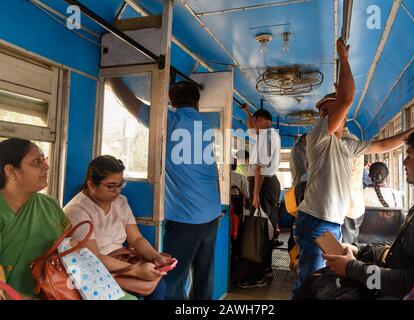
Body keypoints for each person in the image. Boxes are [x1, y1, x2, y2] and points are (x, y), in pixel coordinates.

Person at [292, 37, 414, 297]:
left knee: (320, 281)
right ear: (324, 117)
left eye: (335, 110)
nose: (333, 113)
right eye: (327, 110)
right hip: (316, 220)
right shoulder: (319, 138)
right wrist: (343, 59)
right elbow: (346, 99)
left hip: (331, 221)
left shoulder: (347, 145)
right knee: (310, 280)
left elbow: (382, 146)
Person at [108, 79, 222, 300]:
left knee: (171, 277)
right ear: (197, 103)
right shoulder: (205, 125)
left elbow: (129, 102)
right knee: (203, 275)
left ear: (171, 101)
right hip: (212, 211)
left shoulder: (168, 120)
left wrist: (114, 78)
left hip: (187, 217)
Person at [323, 125, 414, 299]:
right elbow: (398, 246)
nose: (404, 162)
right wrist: (359, 250)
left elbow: (410, 284)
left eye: (409, 156)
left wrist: (352, 269)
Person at [64, 155, 169, 300]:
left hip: (123, 258)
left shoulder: (121, 202)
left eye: (121, 184)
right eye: (111, 186)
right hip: (97, 268)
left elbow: (136, 238)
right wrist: (136, 271)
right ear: (91, 185)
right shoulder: (78, 211)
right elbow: (94, 257)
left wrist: (155, 256)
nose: (118, 191)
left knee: (159, 284)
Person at [0, 138, 69, 298]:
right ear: (11, 171)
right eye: (36, 162)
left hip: (53, 292)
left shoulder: (51, 205)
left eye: (44, 159)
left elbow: (68, 249)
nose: (46, 166)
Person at [238, 106, 281, 287]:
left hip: (262, 185)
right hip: (270, 184)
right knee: (266, 227)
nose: (252, 125)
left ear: (261, 120)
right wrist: (248, 112)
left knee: (258, 230)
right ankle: (266, 268)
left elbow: (260, 169)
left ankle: (256, 276)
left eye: (255, 120)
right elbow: (250, 128)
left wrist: (255, 194)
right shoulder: (270, 135)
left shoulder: (265, 137)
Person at [341, 129, 366, 244]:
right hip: (356, 204)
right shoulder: (355, 140)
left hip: (346, 206)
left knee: (344, 248)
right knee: (351, 244)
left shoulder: (343, 142)